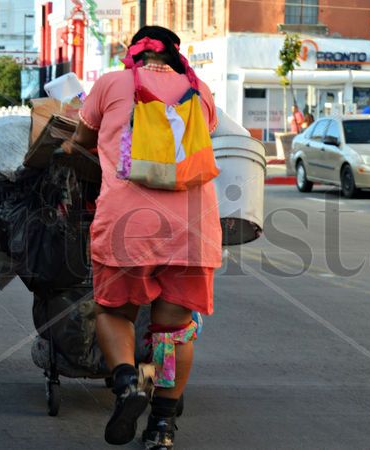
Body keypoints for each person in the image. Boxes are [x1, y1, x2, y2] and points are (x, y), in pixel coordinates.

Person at [62, 26, 221, 449]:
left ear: (132, 53)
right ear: (174, 55)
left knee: (115, 312)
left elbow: (82, 140)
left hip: (127, 227)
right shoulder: (200, 91)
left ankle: (129, 383)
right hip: (193, 228)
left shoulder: (112, 83)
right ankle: (162, 427)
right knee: (174, 330)